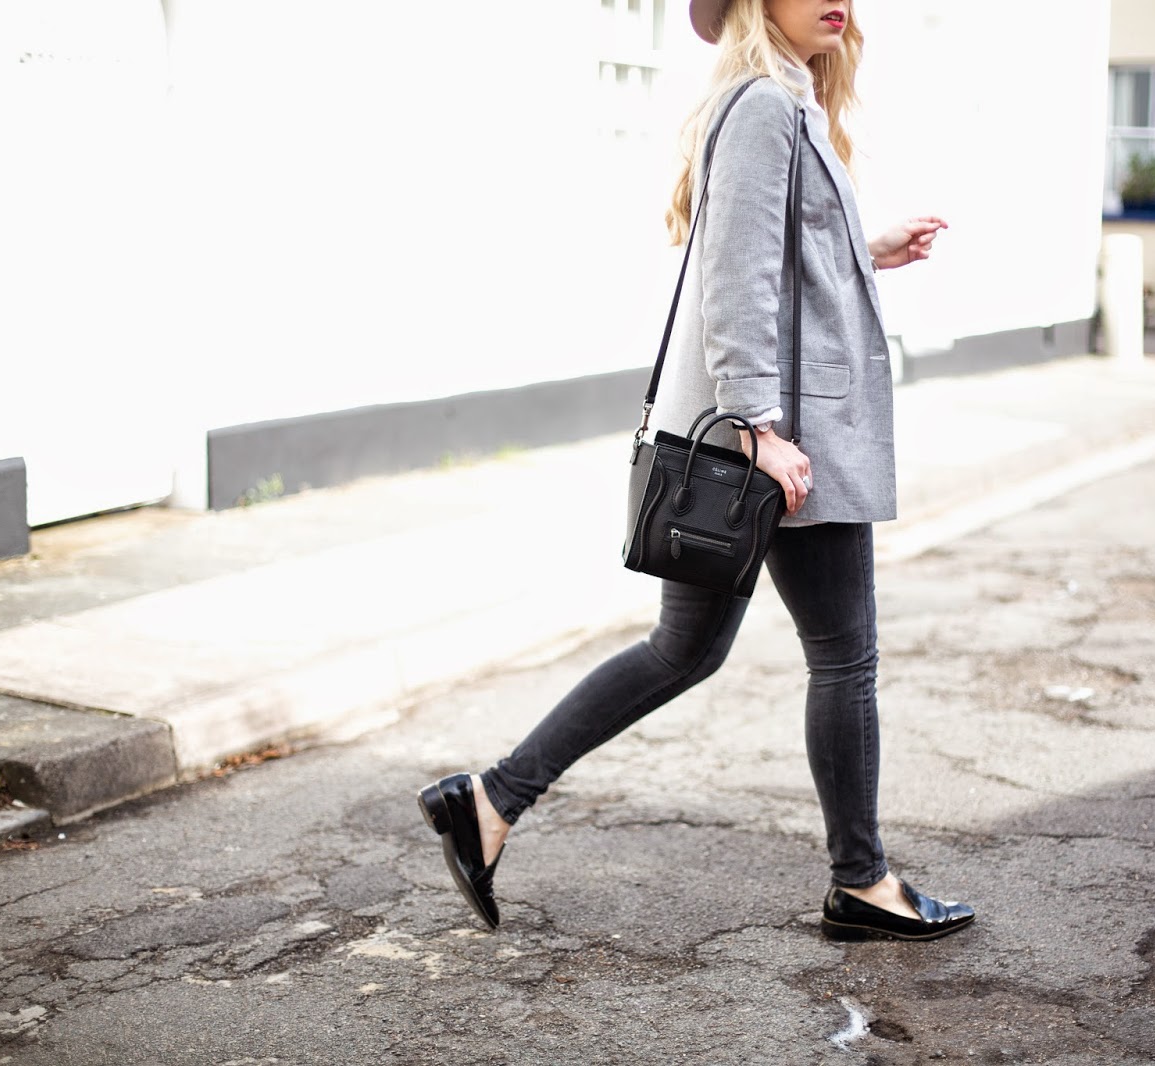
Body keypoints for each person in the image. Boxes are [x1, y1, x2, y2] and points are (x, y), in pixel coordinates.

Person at [417, 0, 975, 942]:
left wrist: (864, 251)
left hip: (775, 437)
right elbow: (734, 278)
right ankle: (863, 883)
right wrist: (757, 429)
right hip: (788, 444)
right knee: (844, 657)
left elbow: (778, 261)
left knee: (684, 650)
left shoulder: (782, 99)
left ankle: (491, 799)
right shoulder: (765, 105)